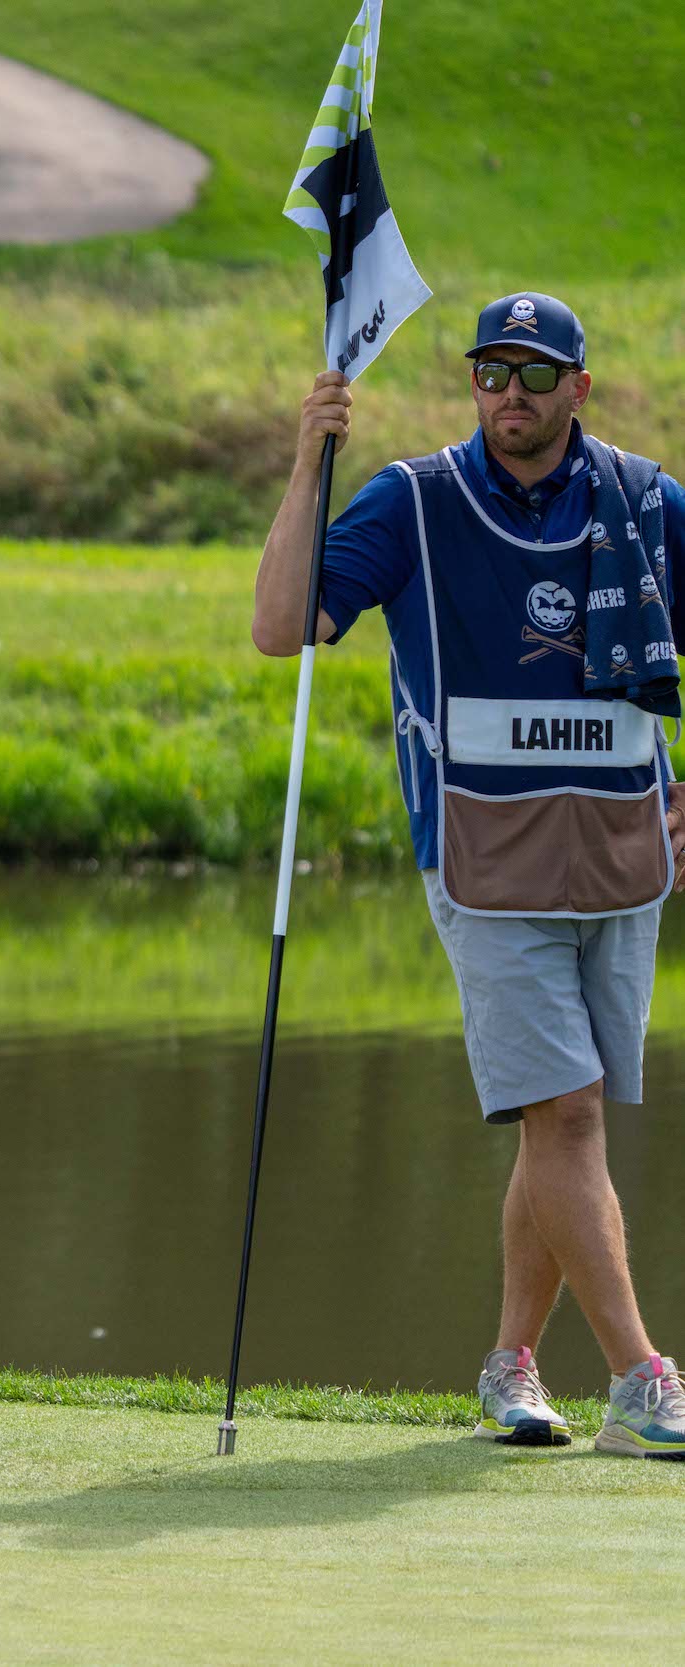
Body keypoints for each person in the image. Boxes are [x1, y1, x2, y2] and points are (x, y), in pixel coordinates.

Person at [253, 292, 685, 1458]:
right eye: (491, 371)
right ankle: (642, 1380)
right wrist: (308, 461)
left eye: (534, 375)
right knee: (569, 1108)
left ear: (579, 390)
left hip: (620, 853)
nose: (510, 394)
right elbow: (283, 621)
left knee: (558, 1119)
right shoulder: (411, 497)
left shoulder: (646, 500)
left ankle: (508, 1364)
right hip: (483, 856)